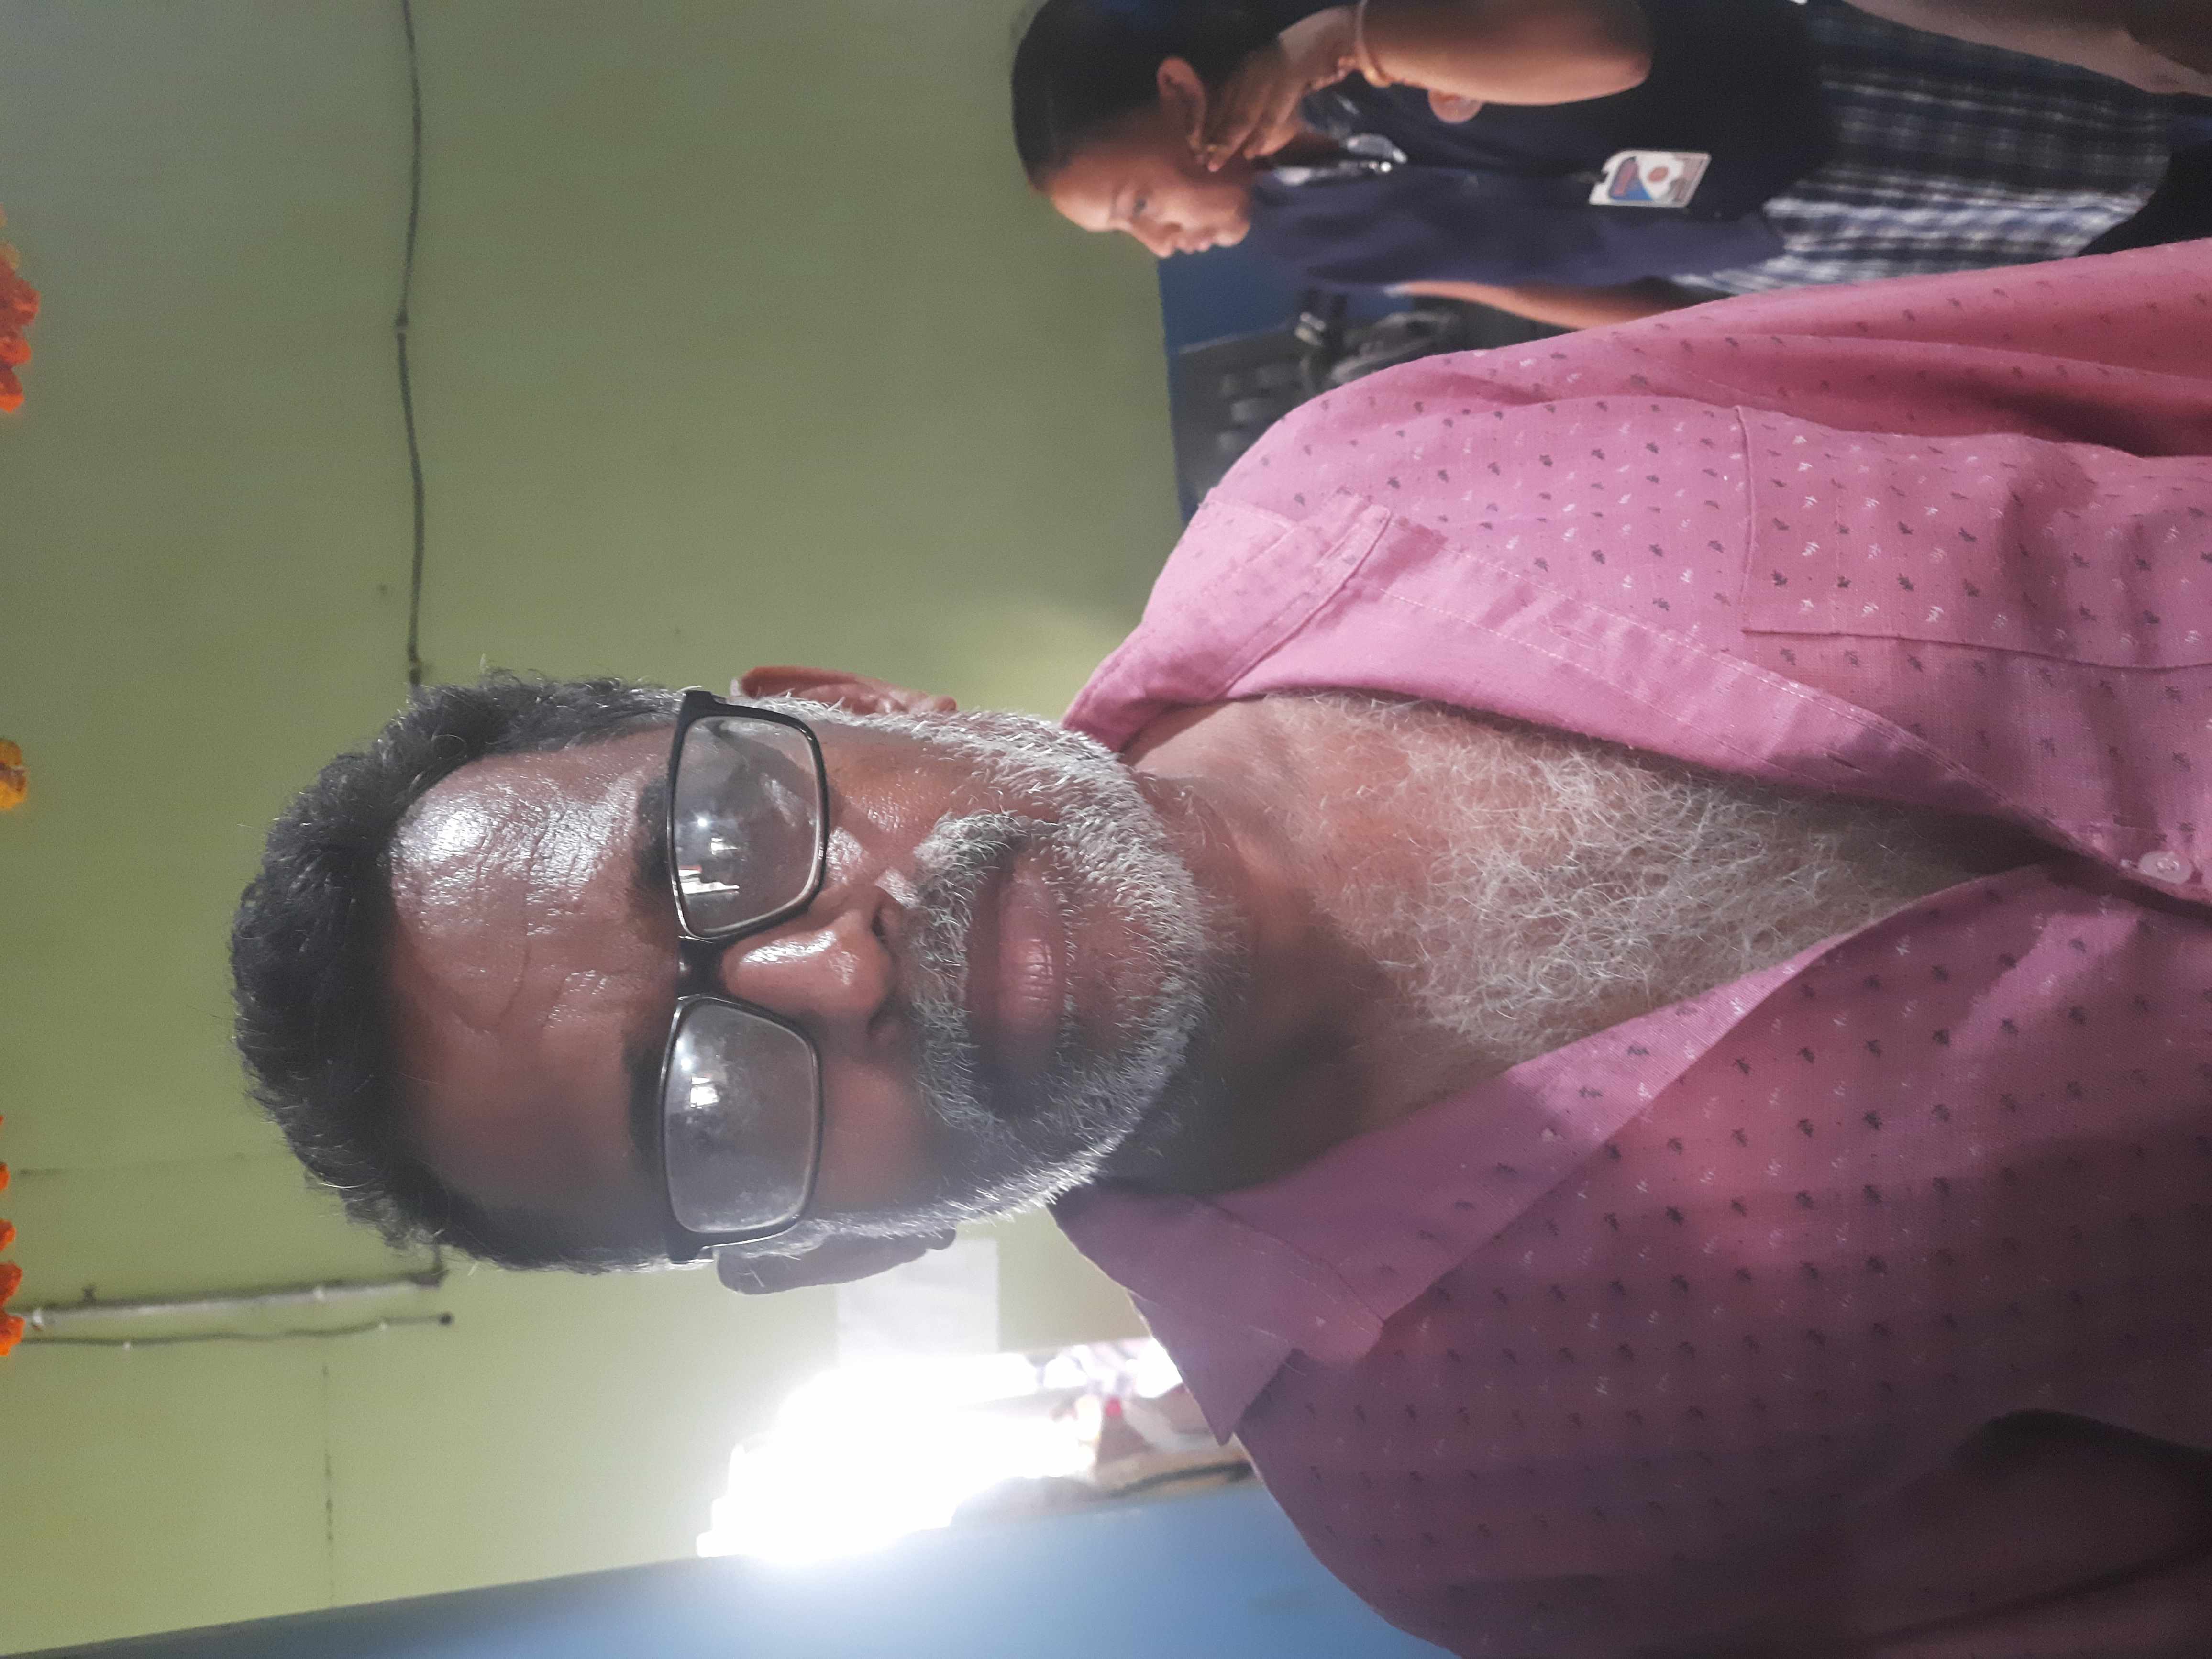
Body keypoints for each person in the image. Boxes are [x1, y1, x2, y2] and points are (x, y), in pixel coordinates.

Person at [233, 240, 2212, 1656]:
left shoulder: (1386, 472)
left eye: (718, 839)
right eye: (710, 1105)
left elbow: (2122, 349)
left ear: (848, 701)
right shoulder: (1478, 1509)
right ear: (831, 1248)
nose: (828, 971)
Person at [1017, 0, 2212, 329]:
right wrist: (1703, 349)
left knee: (2143, 122)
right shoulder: (1305, 234)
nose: (1160, 243)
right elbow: (1512, 281)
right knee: (2138, 270)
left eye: (1137, 203)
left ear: (1178, 94)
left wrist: (1346, 38)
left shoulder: (1353, 33)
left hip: (1825, 116)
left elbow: (1605, 47)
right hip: (1782, 254)